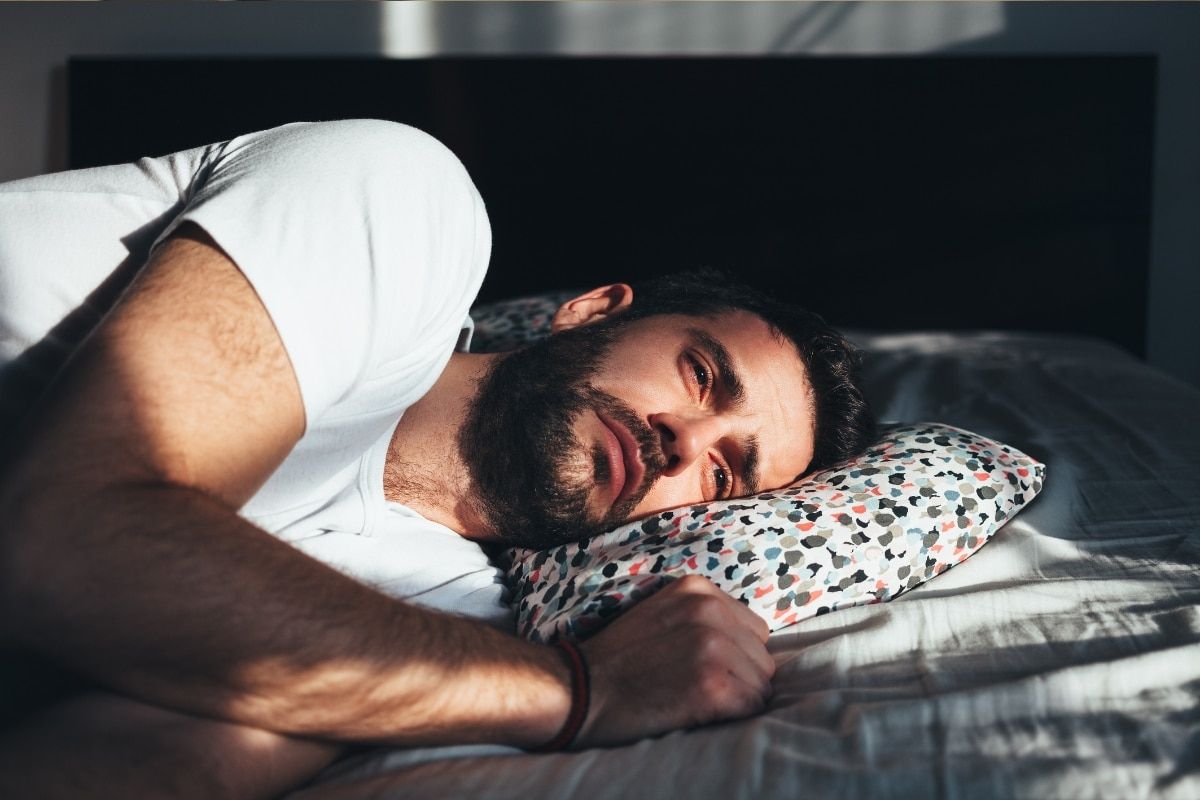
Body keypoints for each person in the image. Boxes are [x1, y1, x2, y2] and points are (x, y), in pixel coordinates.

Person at [0, 120, 876, 797]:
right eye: (699, 375)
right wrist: (582, 694)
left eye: (723, 473)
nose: (684, 439)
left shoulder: (457, 622)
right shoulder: (407, 209)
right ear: (593, 311)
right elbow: (68, 540)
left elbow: (153, 765)